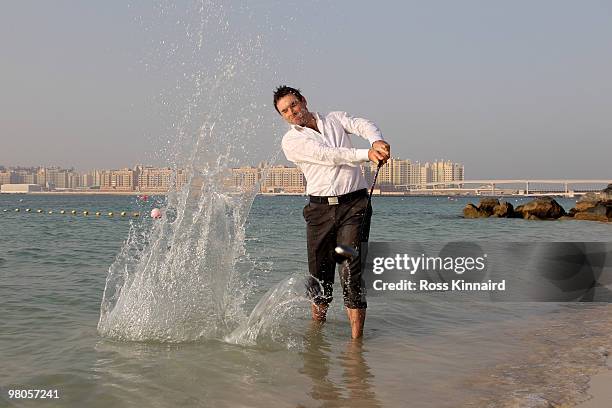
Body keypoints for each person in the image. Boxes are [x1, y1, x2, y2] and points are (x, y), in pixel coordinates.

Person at [274, 85, 390, 339]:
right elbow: (329, 156)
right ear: (282, 116)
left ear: (303, 101)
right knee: (319, 276)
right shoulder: (291, 141)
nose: (291, 112)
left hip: (355, 205)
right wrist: (366, 154)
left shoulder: (335, 118)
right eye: (285, 111)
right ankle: (318, 333)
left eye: (293, 105)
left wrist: (376, 140)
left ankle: (356, 345)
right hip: (319, 210)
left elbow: (361, 124)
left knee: (352, 269)